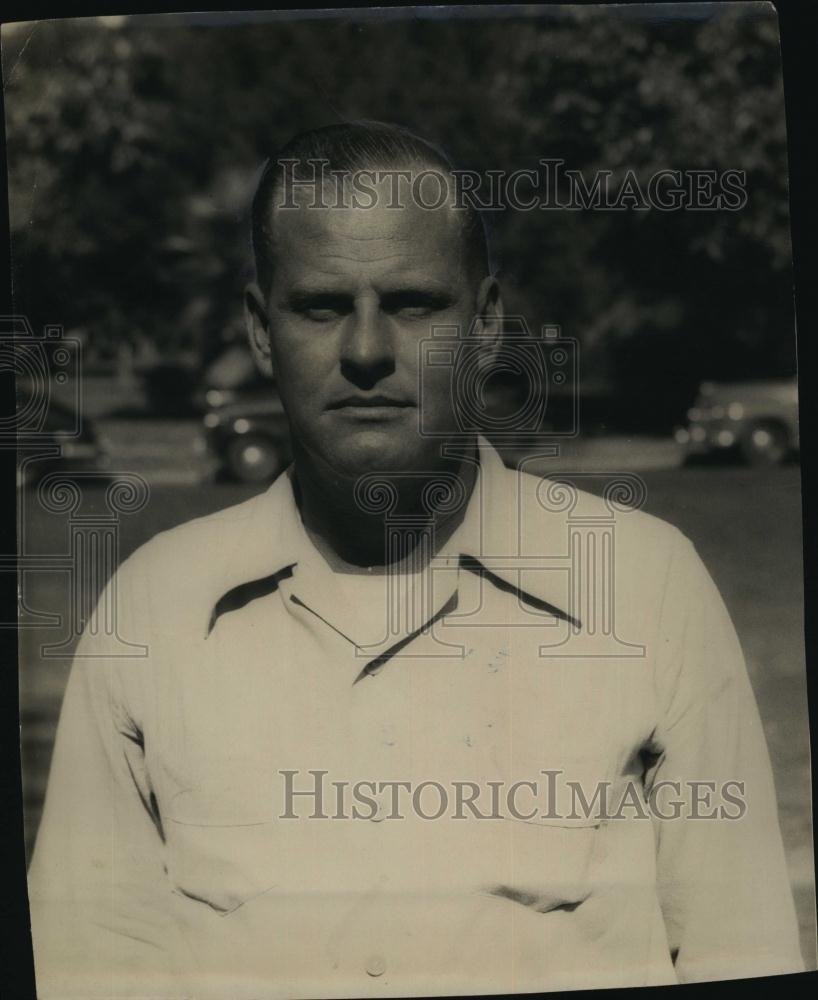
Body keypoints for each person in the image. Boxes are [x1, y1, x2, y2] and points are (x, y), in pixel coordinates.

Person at [27, 121, 804, 998]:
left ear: (485, 323)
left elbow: (743, 953)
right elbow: (82, 969)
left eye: (413, 304)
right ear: (259, 330)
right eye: (321, 307)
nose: (365, 352)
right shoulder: (152, 611)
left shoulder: (644, 587)